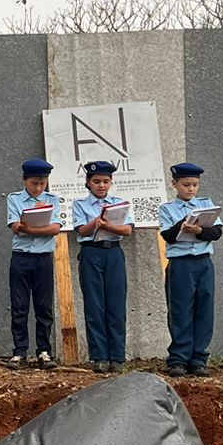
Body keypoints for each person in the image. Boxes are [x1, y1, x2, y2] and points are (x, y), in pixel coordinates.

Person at [159, 161, 223, 378]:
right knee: (180, 310)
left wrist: (199, 230)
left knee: (204, 309)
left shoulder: (206, 205)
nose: (191, 189)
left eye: (195, 185)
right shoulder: (167, 209)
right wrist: (181, 225)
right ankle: (178, 358)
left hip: (203, 263)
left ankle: (199, 358)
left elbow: (216, 232)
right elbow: (167, 235)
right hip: (181, 264)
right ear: (174, 184)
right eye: (186, 184)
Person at [71, 159, 133, 373]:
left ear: (111, 182)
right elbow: (81, 230)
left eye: (105, 181)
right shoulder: (80, 204)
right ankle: (99, 356)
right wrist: (96, 223)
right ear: (88, 182)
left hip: (113, 252)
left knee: (116, 304)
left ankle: (117, 355)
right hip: (91, 252)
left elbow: (127, 230)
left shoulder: (120, 203)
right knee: (95, 305)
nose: (101, 185)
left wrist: (110, 225)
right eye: (96, 181)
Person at [7, 156, 62, 368]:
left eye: (42, 183)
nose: (38, 187)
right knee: (19, 305)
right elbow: (15, 226)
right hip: (21, 258)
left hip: (43, 258)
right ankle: (19, 351)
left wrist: (30, 227)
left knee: (43, 306)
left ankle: (44, 350)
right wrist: (36, 223)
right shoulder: (14, 198)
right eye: (34, 183)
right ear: (25, 180)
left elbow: (55, 229)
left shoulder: (53, 200)